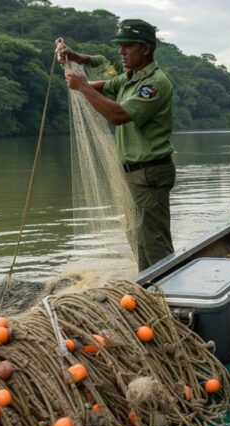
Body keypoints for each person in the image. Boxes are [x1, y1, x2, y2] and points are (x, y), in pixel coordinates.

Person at [57, 19, 175, 271]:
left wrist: (82, 86)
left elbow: (118, 115)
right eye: (120, 45)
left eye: (127, 46)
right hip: (133, 173)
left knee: (154, 241)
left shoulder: (153, 84)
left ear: (145, 49)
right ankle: (150, 286)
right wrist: (75, 62)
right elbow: (102, 79)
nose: (121, 51)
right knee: (137, 237)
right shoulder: (128, 79)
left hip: (150, 174)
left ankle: (172, 294)